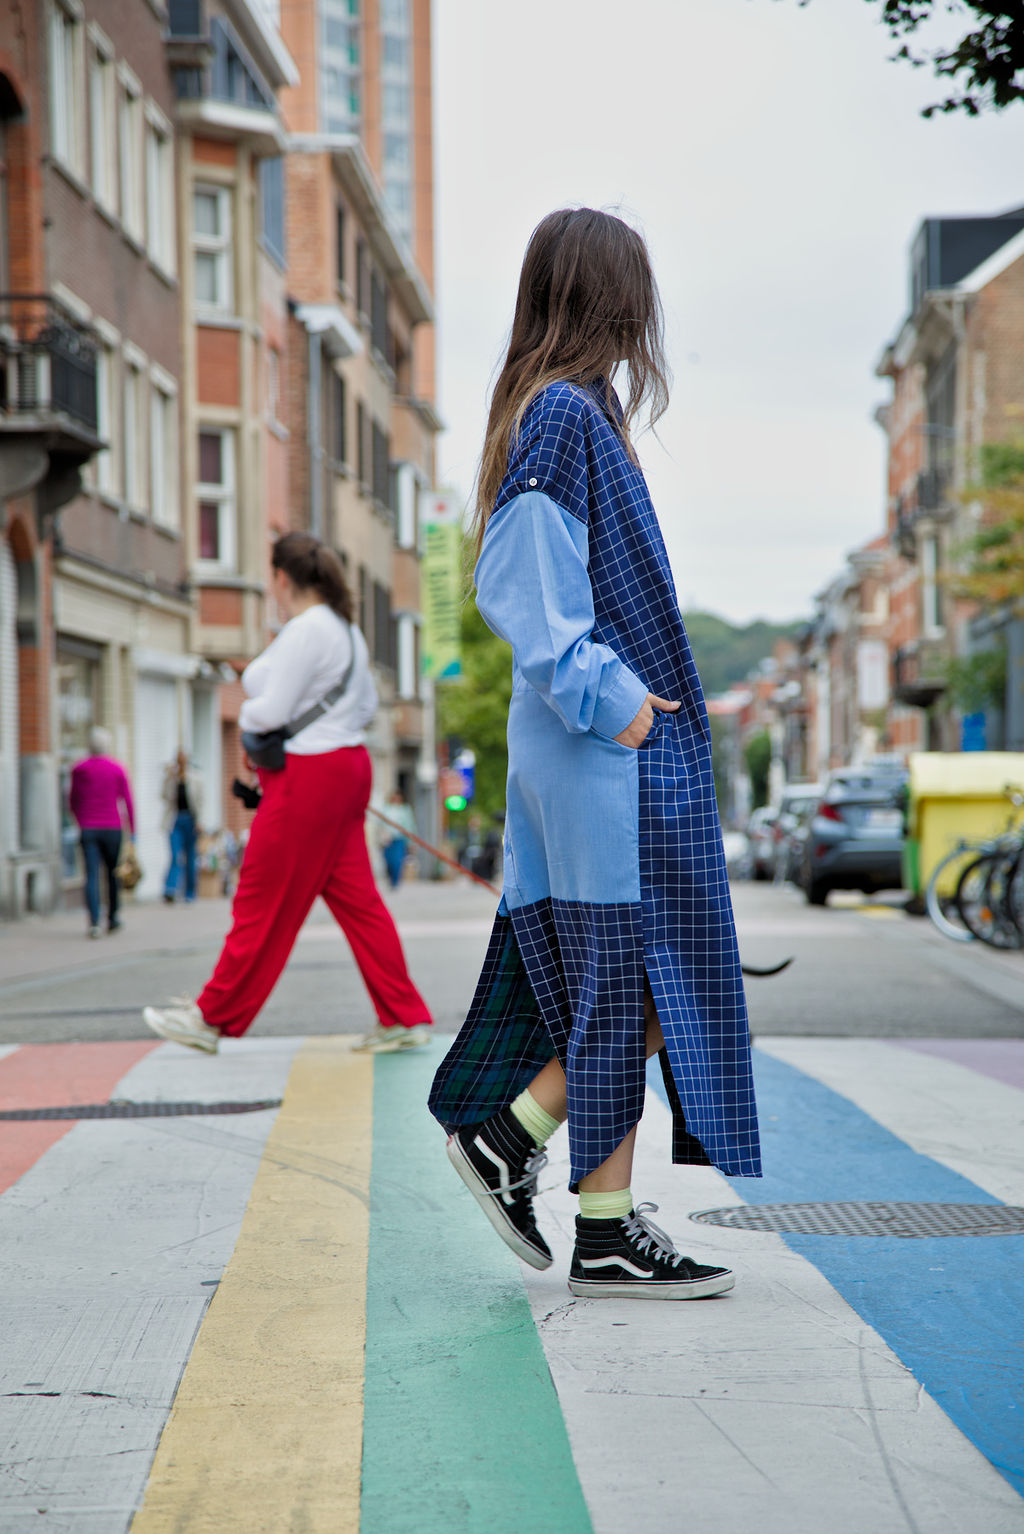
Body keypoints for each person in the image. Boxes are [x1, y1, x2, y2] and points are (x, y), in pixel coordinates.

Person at [429, 209, 762, 1300]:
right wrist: (612, 699)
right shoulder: (566, 416)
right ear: (611, 294)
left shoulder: (569, 410)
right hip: (596, 753)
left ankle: (604, 1226)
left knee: (620, 984)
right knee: (638, 982)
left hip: (592, 752)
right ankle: (507, 1140)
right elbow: (517, 579)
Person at [142, 531, 433, 1055]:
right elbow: (364, 708)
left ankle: (212, 1017)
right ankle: (402, 1014)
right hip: (345, 767)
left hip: (308, 776)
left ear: (281, 577)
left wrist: (252, 712)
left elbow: (269, 710)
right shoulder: (346, 630)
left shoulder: (305, 631)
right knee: (359, 903)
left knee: (260, 893)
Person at [68, 726, 135, 939]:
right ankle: (113, 917)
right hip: (112, 828)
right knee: (112, 874)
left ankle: (94, 922)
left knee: (91, 875)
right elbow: (128, 801)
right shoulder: (117, 768)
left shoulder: (80, 769)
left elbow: (72, 799)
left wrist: (80, 820)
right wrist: (132, 830)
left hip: (88, 828)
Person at [161, 749, 203, 903]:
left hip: (190, 820)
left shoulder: (195, 778)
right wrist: (168, 778)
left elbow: (200, 802)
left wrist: (200, 821)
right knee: (175, 855)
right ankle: (170, 889)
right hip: (175, 819)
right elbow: (164, 796)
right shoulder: (172, 779)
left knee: (191, 856)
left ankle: (190, 893)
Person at [377, 788, 416, 889]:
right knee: (388, 860)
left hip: (399, 838)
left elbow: (410, 825)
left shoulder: (405, 810)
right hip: (387, 839)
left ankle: (395, 881)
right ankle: (390, 878)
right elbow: (380, 824)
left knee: (397, 860)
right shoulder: (386, 809)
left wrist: (411, 841)